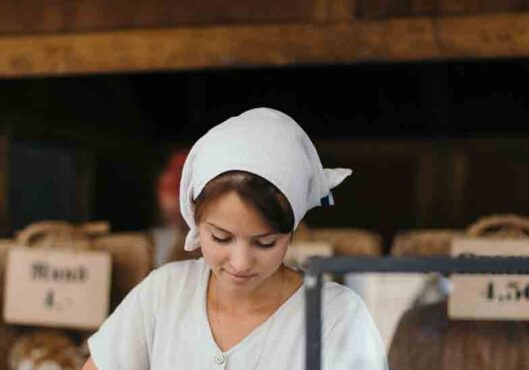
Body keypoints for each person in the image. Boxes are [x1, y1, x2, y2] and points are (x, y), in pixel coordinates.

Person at [82, 108, 387, 370]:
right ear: (195, 221)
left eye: (264, 242)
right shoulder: (164, 294)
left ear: (291, 231)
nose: (240, 262)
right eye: (221, 238)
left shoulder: (336, 316)